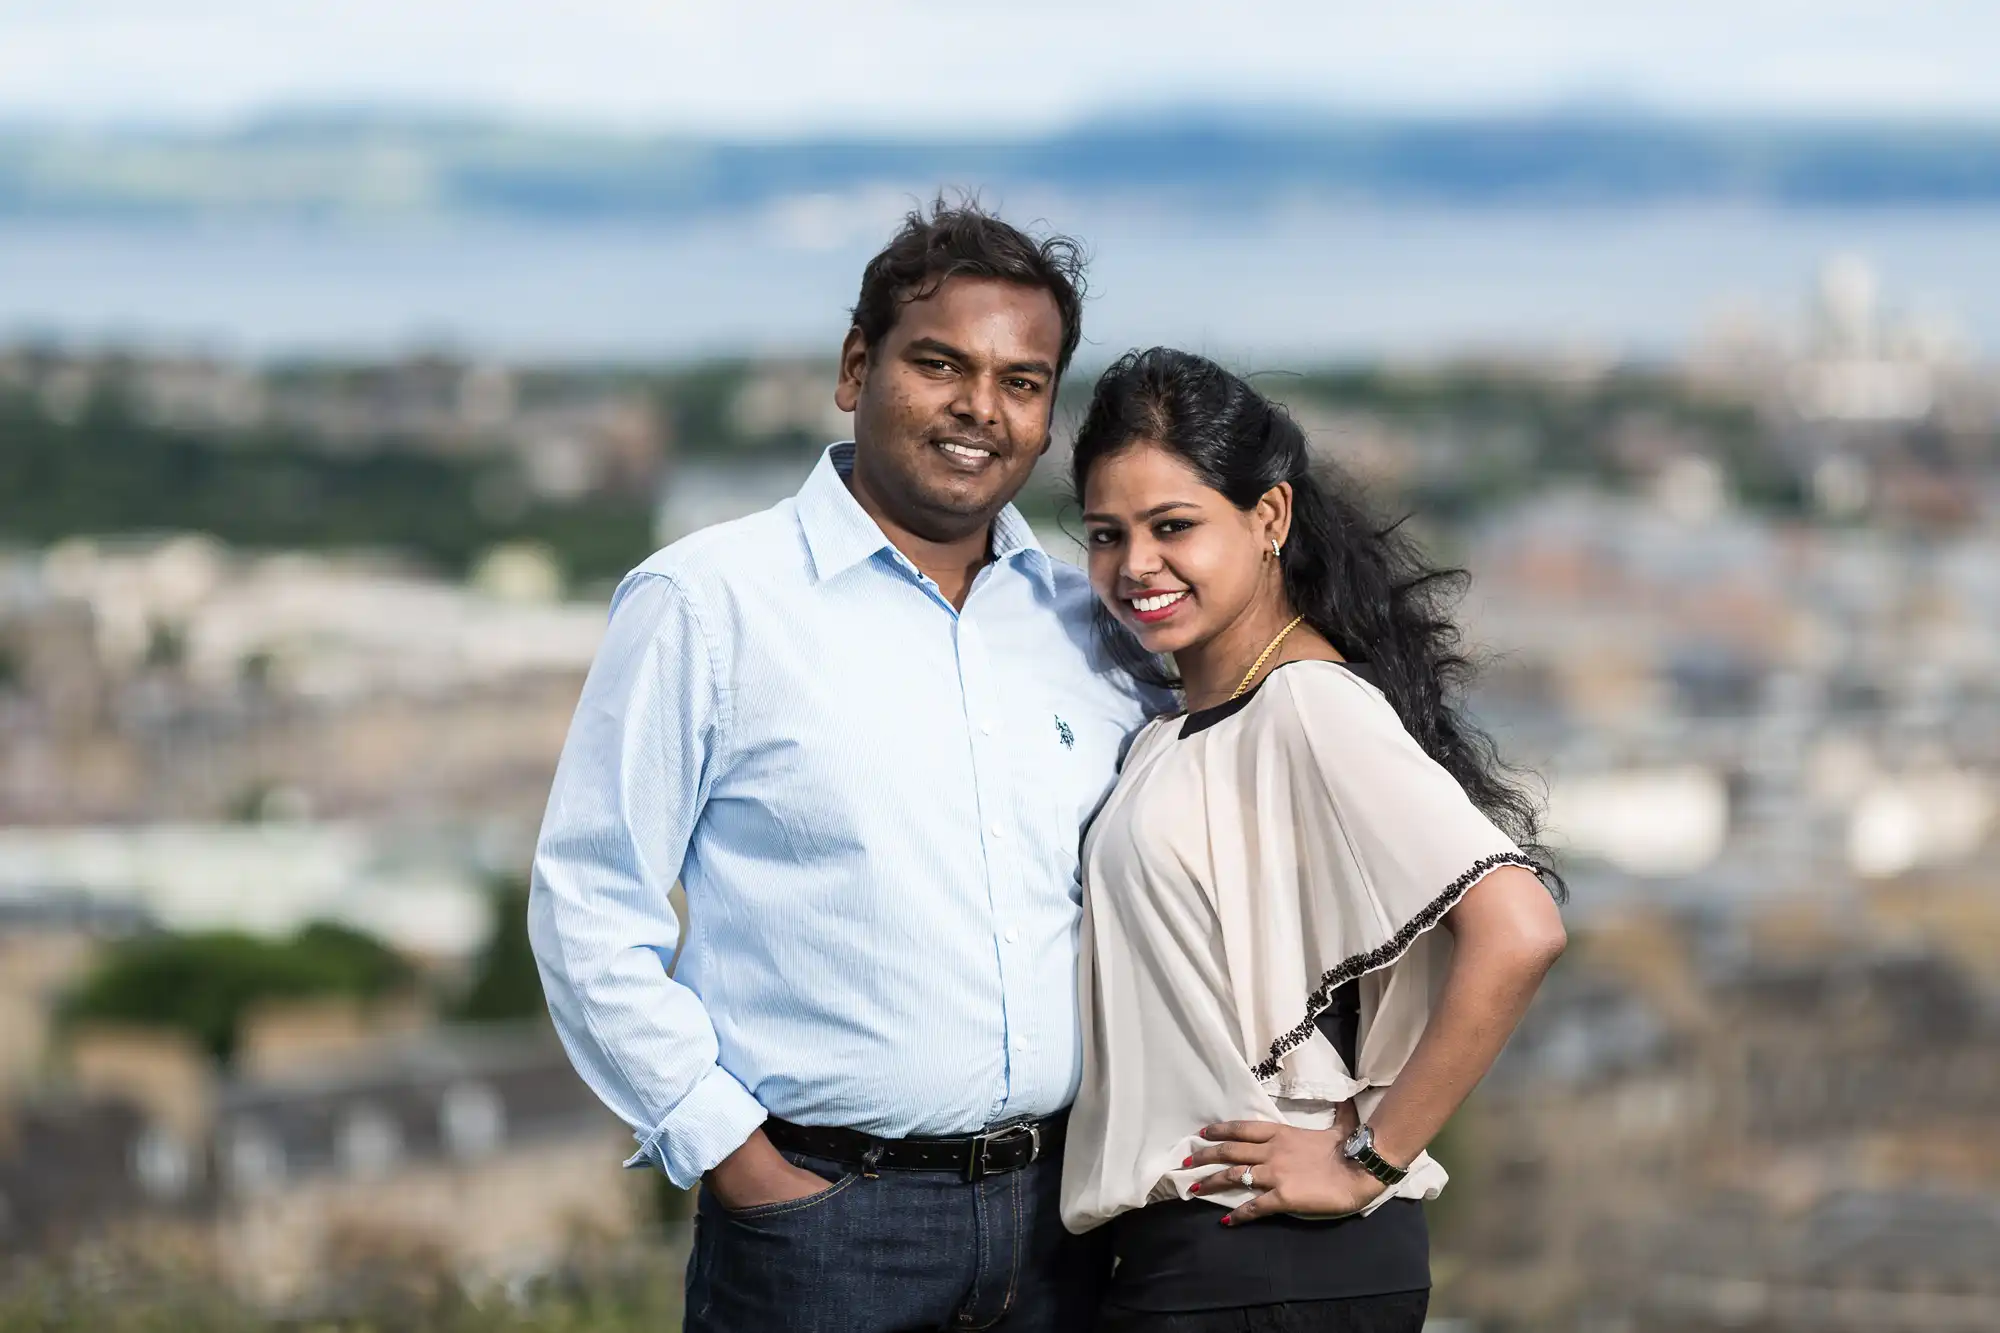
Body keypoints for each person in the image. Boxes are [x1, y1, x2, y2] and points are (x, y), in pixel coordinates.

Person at [527, 202, 1164, 1332]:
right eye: (939, 364)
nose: (981, 408)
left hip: (1066, 1226)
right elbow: (586, 907)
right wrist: (730, 1153)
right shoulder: (708, 602)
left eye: (1022, 381)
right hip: (823, 1231)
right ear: (854, 367)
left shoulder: (1092, 621)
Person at [1060, 348, 1570, 1331]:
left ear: (1268, 519)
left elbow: (1518, 928)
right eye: (1104, 534)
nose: (1135, 566)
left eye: (1173, 526)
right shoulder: (1186, 722)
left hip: (1264, 1259)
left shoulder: (1305, 705)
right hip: (1209, 1261)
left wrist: (1365, 1160)